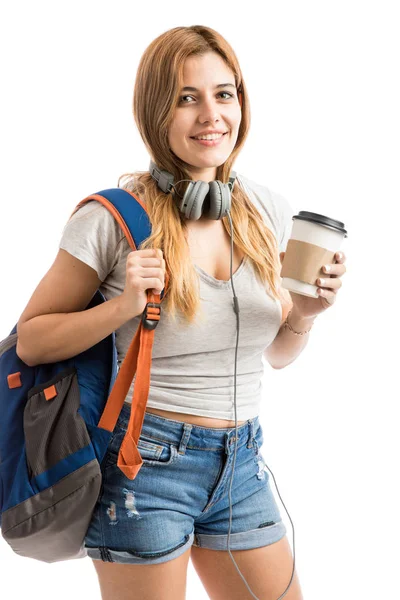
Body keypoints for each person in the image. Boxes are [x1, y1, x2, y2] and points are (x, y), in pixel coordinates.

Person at [16, 25, 346, 600]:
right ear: (155, 111)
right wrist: (122, 307)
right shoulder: (112, 219)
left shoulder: (266, 211)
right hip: (145, 467)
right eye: (187, 98)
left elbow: (280, 354)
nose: (211, 114)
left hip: (241, 464)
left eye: (224, 93)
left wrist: (308, 313)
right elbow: (32, 342)